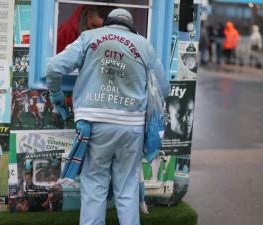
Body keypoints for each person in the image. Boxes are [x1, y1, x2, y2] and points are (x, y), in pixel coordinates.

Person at [46, 8, 170, 225]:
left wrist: (56, 94)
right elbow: (164, 88)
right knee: (127, 187)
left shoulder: (89, 37)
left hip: (95, 124)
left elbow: (54, 67)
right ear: (131, 26)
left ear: (108, 23)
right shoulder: (144, 45)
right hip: (132, 127)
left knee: (94, 185)